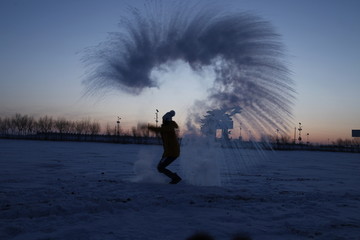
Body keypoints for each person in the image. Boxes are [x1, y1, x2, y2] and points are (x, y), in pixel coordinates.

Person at [148, 110, 182, 184]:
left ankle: (175, 178)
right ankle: (174, 177)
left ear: (166, 120)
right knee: (160, 168)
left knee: (160, 167)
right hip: (169, 152)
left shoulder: (169, 127)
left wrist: (149, 127)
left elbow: (160, 130)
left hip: (172, 153)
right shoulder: (168, 126)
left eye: (163, 119)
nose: (162, 121)